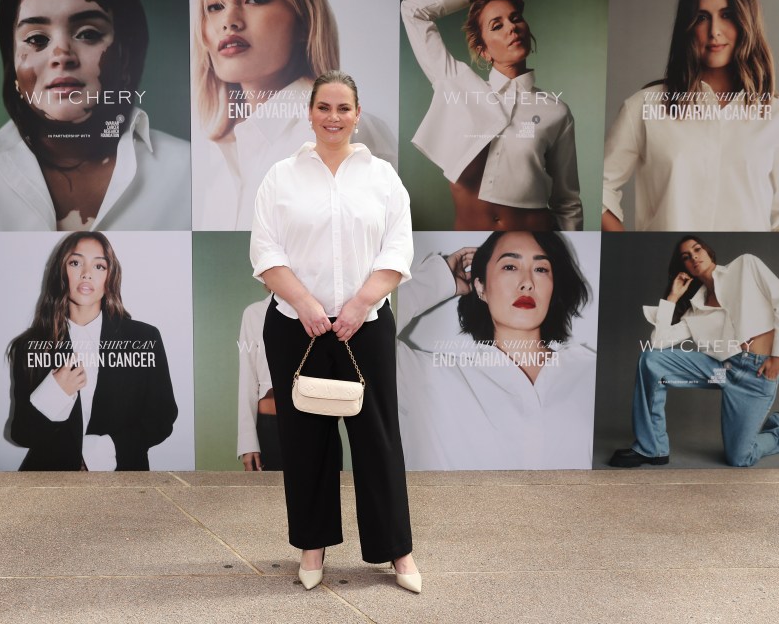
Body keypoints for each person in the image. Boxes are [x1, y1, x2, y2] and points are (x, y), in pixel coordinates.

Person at [250, 70, 420, 593]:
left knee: (378, 440)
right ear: (310, 112)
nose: (333, 117)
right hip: (294, 326)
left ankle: (399, 553)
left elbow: (397, 249)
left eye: (343, 108)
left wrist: (360, 303)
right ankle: (312, 545)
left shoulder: (383, 177)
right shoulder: (281, 176)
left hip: (362, 327)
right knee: (306, 443)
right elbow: (265, 251)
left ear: (357, 114)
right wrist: (304, 304)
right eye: (324, 107)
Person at [0, 0, 190, 231]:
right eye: (37, 39)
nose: (62, 54)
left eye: (88, 34)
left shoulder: (189, 170)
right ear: (12, 63)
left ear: (125, 56)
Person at [192, 0, 396, 230]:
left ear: (304, 19)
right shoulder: (219, 158)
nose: (228, 21)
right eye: (215, 6)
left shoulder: (348, 133)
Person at [397, 232, 595, 469]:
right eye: (510, 266)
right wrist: (438, 279)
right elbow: (360, 333)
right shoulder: (428, 379)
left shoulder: (592, 373)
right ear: (480, 286)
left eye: (541, 269)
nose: (527, 282)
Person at [401, 0, 582, 231]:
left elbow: (568, 203)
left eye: (516, 19)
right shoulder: (456, 85)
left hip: (535, 237)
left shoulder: (557, 112)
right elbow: (413, 10)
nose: (511, 27)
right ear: (483, 51)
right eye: (497, 25)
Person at [602, 0, 778, 231]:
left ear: (746, 21)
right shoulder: (643, 108)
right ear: (688, 26)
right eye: (702, 17)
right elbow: (600, 187)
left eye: (727, 15)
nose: (714, 31)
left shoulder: (774, 115)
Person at [8, 232, 178, 471]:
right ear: (60, 272)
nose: (86, 273)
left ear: (110, 277)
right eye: (75, 263)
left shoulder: (143, 338)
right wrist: (54, 392)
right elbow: (22, 433)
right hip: (51, 485)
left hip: (123, 482)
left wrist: (99, 452)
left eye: (99, 266)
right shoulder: (29, 345)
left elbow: (162, 418)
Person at [609, 236, 779, 467]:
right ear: (684, 268)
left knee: (740, 457)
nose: (694, 257)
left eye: (697, 250)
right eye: (686, 257)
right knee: (652, 360)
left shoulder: (745, 265)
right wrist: (673, 297)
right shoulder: (694, 311)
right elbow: (658, 343)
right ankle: (652, 448)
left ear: (708, 252)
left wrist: (777, 355)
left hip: (757, 372)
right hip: (720, 370)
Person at [236, 291, 282, 471]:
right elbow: (247, 379)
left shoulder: (321, 311)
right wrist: (247, 442)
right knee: (270, 498)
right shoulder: (255, 314)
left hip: (318, 424)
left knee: (327, 497)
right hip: (271, 427)